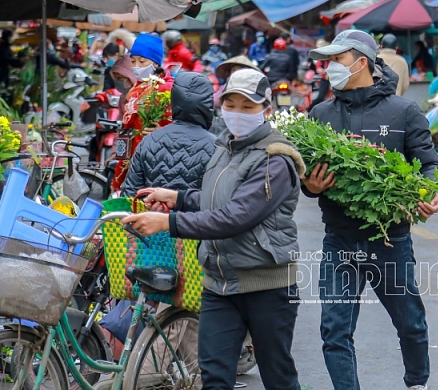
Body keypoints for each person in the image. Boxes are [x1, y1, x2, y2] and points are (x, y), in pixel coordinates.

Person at [123, 68, 305, 390]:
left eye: (248, 106)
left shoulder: (274, 159)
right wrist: (177, 198)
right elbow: (214, 200)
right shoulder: (224, 148)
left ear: (267, 109)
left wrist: (168, 222)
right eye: (231, 104)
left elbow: (234, 217)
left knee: (278, 377)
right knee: (215, 378)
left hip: (265, 285)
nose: (237, 113)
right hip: (220, 284)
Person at [304, 29, 438, 390]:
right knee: (334, 330)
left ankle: (417, 383)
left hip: (389, 240)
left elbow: (430, 163)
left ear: (361, 62)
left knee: (410, 323)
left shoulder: (403, 111)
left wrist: (432, 189)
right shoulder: (319, 115)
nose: (330, 67)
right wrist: (310, 185)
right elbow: (303, 177)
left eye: (337, 59)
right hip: (339, 241)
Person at [121, 72, 216, 197]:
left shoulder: (149, 141)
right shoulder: (216, 147)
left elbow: (130, 193)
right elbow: (217, 202)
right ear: (208, 104)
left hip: (149, 215)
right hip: (193, 217)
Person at [111, 34, 174, 191]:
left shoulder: (167, 89)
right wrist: (118, 161)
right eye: (133, 61)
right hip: (132, 155)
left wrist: (162, 132)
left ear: (155, 63)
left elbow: (178, 126)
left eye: (142, 61)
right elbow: (127, 129)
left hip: (157, 158)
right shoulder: (135, 89)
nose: (137, 66)